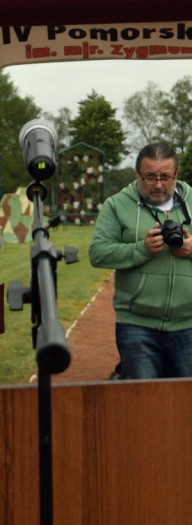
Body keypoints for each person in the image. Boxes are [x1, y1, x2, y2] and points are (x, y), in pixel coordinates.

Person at [89, 142, 192, 380]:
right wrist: (141, 249)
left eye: (165, 177)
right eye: (150, 176)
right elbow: (98, 252)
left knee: (187, 405)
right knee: (143, 404)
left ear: (176, 174)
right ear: (137, 174)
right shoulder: (117, 205)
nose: (157, 184)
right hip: (137, 324)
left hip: (188, 324)